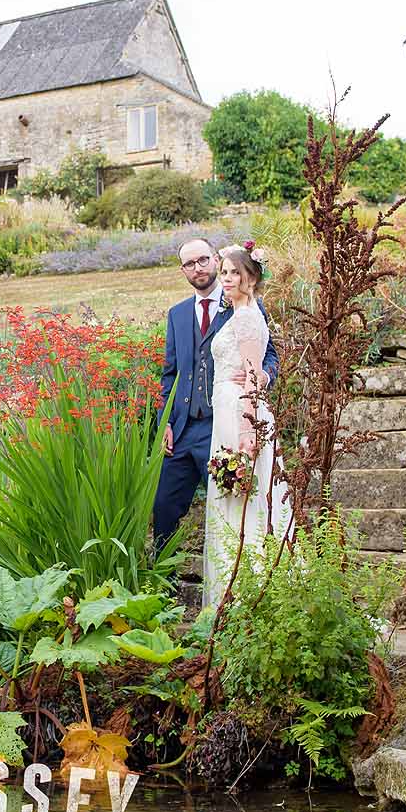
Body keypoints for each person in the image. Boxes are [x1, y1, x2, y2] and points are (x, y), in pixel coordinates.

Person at [152, 238, 279, 554]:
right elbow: (170, 374)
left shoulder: (242, 302)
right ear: (183, 270)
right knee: (163, 505)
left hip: (224, 424)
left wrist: (263, 377)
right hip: (183, 430)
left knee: (232, 507)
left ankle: (240, 579)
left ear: (215, 259)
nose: (198, 268)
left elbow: (269, 354)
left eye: (203, 260)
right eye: (189, 263)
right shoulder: (177, 314)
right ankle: (162, 588)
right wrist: (164, 421)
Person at [201, 244, 292, 611]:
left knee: (245, 501)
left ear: (251, 278)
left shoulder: (246, 316)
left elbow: (254, 375)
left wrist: (247, 430)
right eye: (223, 272)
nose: (226, 278)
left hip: (241, 416)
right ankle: (232, 593)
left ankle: (251, 595)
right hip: (227, 414)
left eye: (234, 273)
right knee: (233, 500)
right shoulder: (237, 311)